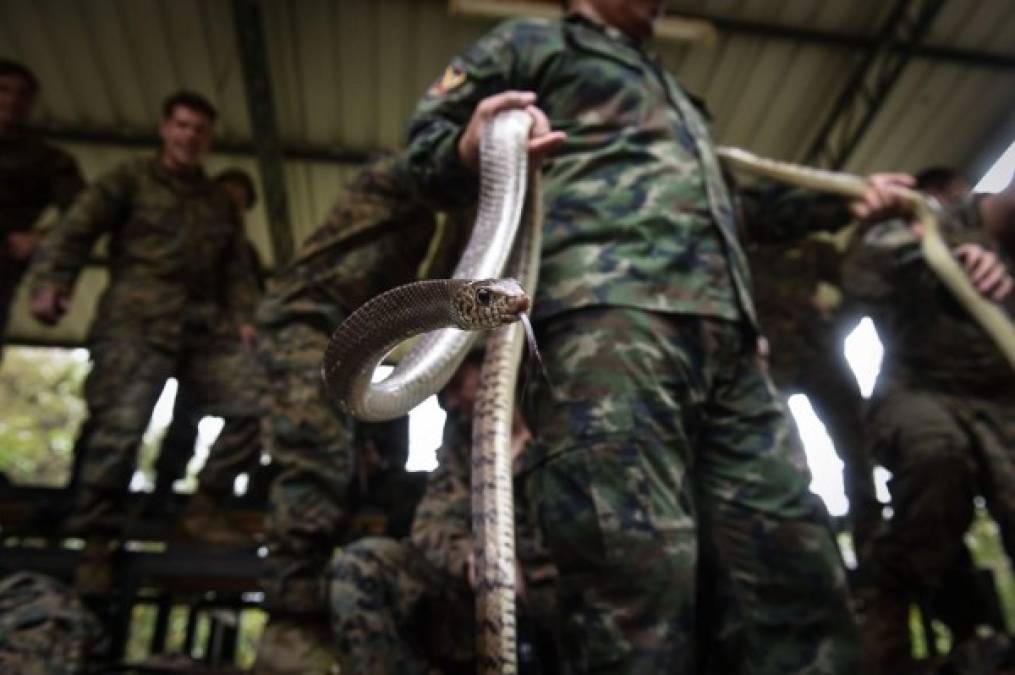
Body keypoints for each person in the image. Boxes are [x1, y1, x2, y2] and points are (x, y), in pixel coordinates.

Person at [399, 1, 926, 671]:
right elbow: (424, 149)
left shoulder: (675, 92)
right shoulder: (533, 42)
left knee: (792, 565)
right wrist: (467, 145)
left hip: (727, 340)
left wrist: (844, 199)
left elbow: (734, 210)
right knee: (631, 582)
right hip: (606, 323)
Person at [250, 154, 464, 670]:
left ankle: (325, 601)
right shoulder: (395, 175)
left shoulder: (431, 222)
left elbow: (441, 293)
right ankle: (291, 621)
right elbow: (434, 163)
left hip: (354, 341)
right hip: (305, 320)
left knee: (368, 457)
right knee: (315, 453)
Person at [27, 91, 262, 540]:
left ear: (210, 140)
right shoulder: (129, 179)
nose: (189, 136)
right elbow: (76, 229)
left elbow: (237, 271)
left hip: (201, 328)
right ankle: (97, 538)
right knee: (120, 427)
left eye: (199, 130)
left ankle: (203, 507)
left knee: (260, 401)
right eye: (182, 126)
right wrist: (52, 282)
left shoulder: (217, 202)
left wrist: (246, 319)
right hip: (135, 323)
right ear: (164, 129)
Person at [846, 174, 1015, 674]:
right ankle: (885, 616)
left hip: (1004, 406)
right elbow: (861, 275)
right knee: (935, 456)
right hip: (919, 389)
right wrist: (943, 256)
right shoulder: (934, 218)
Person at [328, 352, 558, 675]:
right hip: (473, 600)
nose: (448, 403)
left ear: (491, 367)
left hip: (555, 605)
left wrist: (527, 577)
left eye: (457, 384)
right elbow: (431, 524)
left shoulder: (558, 429)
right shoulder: (463, 440)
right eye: (441, 393)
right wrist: (471, 557)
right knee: (360, 565)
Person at [149, 167, 268, 534]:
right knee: (145, 415)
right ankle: (157, 493)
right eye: (225, 195)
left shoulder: (244, 255)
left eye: (239, 202)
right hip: (162, 334)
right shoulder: (178, 234)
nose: (230, 206)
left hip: (215, 349)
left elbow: (251, 299)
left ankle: (202, 500)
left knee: (244, 406)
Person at [0, 59, 84, 360]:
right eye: (4, 90)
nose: (11, 100)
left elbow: (82, 215)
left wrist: (39, 239)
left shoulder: (46, 159)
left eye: (21, 94)